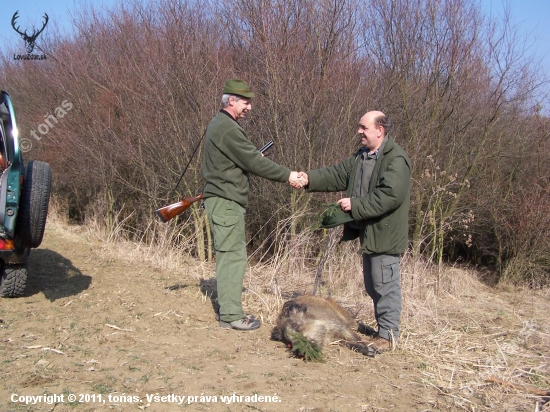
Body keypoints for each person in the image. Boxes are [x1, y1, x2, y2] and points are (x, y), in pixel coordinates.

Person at [297, 111, 411, 353]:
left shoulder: (396, 159)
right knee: (373, 285)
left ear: (379, 130)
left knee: (385, 285)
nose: (359, 131)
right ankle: (383, 330)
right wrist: (309, 179)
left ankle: (389, 337)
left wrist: (355, 205)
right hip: (370, 233)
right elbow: (337, 174)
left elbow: (390, 196)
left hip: (386, 233)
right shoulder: (362, 156)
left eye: (363, 127)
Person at [202, 79, 303, 331]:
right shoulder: (228, 128)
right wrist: (288, 175)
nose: (249, 108)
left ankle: (229, 312)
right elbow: (253, 162)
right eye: (246, 102)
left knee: (230, 255)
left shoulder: (221, 125)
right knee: (233, 257)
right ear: (232, 100)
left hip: (224, 200)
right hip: (226, 202)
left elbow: (240, 161)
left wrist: (248, 160)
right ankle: (231, 315)